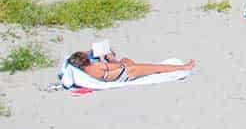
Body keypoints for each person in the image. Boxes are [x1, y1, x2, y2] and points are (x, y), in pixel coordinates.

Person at [65, 49, 195, 82]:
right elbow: (118, 66)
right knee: (155, 67)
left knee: (128, 60)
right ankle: (184, 67)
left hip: (116, 75)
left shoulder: (86, 70)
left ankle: (143, 69)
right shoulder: (97, 66)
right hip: (126, 73)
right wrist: (110, 58)